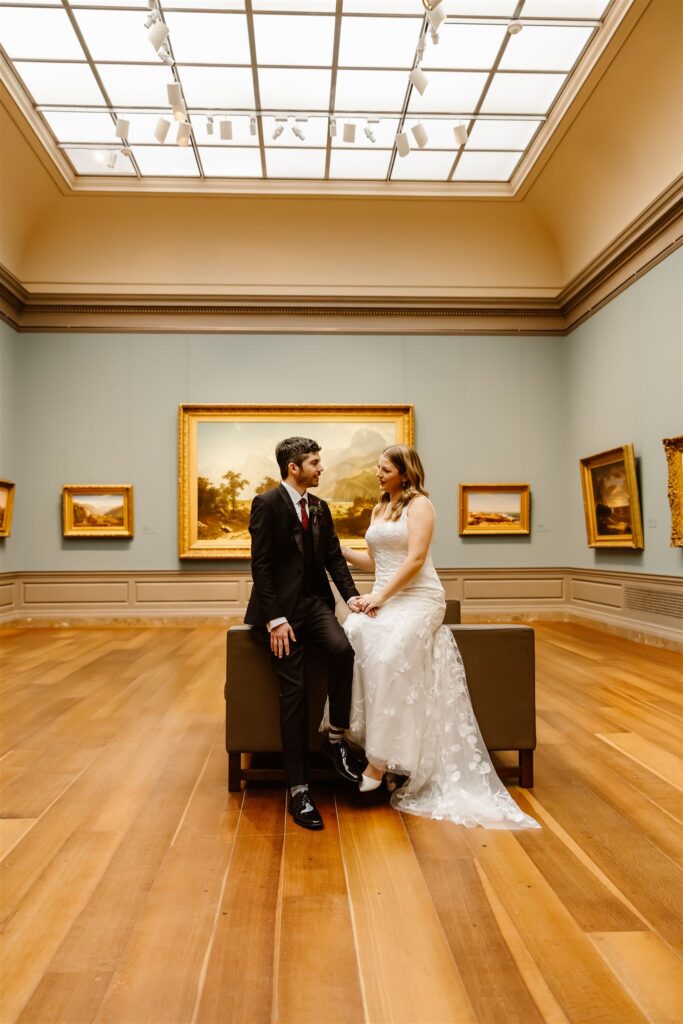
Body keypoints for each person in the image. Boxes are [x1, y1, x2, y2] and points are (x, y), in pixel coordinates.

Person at [338, 445, 540, 830]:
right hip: (386, 598)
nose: (377, 474)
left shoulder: (421, 507)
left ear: (404, 471)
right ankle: (358, 741)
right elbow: (375, 561)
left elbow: (414, 560)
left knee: (389, 655)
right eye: (377, 468)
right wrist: (342, 551)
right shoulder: (380, 508)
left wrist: (380, 595)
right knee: (353, 633)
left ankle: (380, 762)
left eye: (384, 469)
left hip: (419, 599)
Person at [245, 436, 364, 831]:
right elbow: (260, 567)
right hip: (281, 615)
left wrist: (353, 599)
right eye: (314, 462)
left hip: (315, 606)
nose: (321, 468)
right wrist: (274, 618)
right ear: (293, 467)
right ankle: (298, 790)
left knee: (342, 651)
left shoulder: (320, 508)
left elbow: (332, 557)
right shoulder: (266, 504)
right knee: (293, 694)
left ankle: (335, 739)